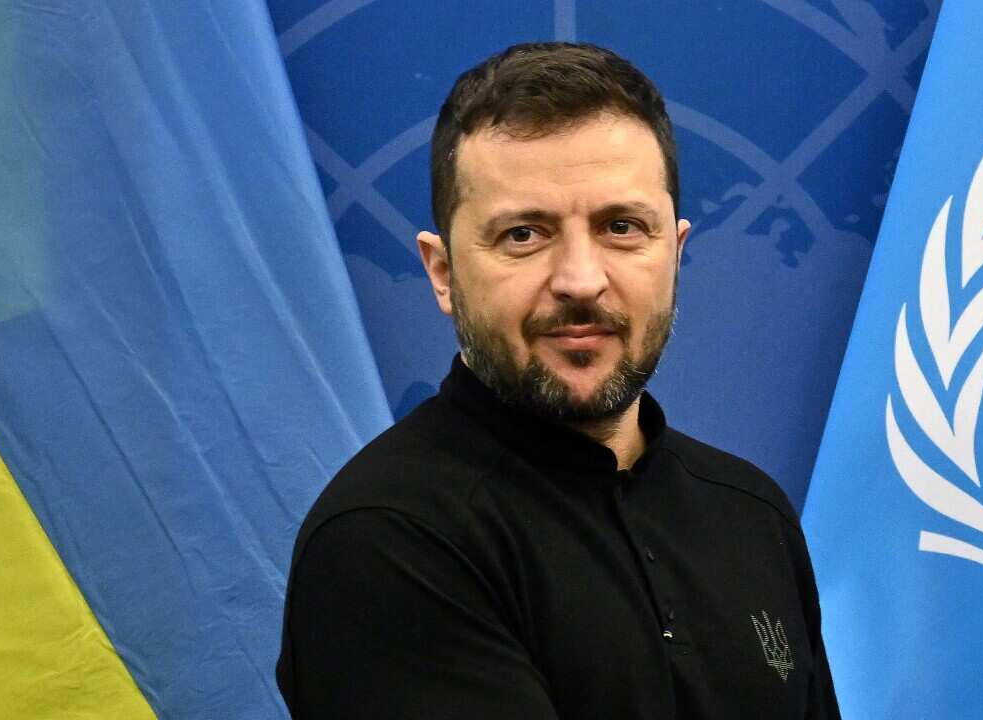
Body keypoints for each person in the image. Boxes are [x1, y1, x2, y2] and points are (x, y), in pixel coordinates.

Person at [277, 42, 840, 719]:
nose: (580, 279)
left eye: (622, 228)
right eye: (524, 235)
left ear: (676, 253)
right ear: (443, 272)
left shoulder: (753, 517)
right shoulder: (388, 539)